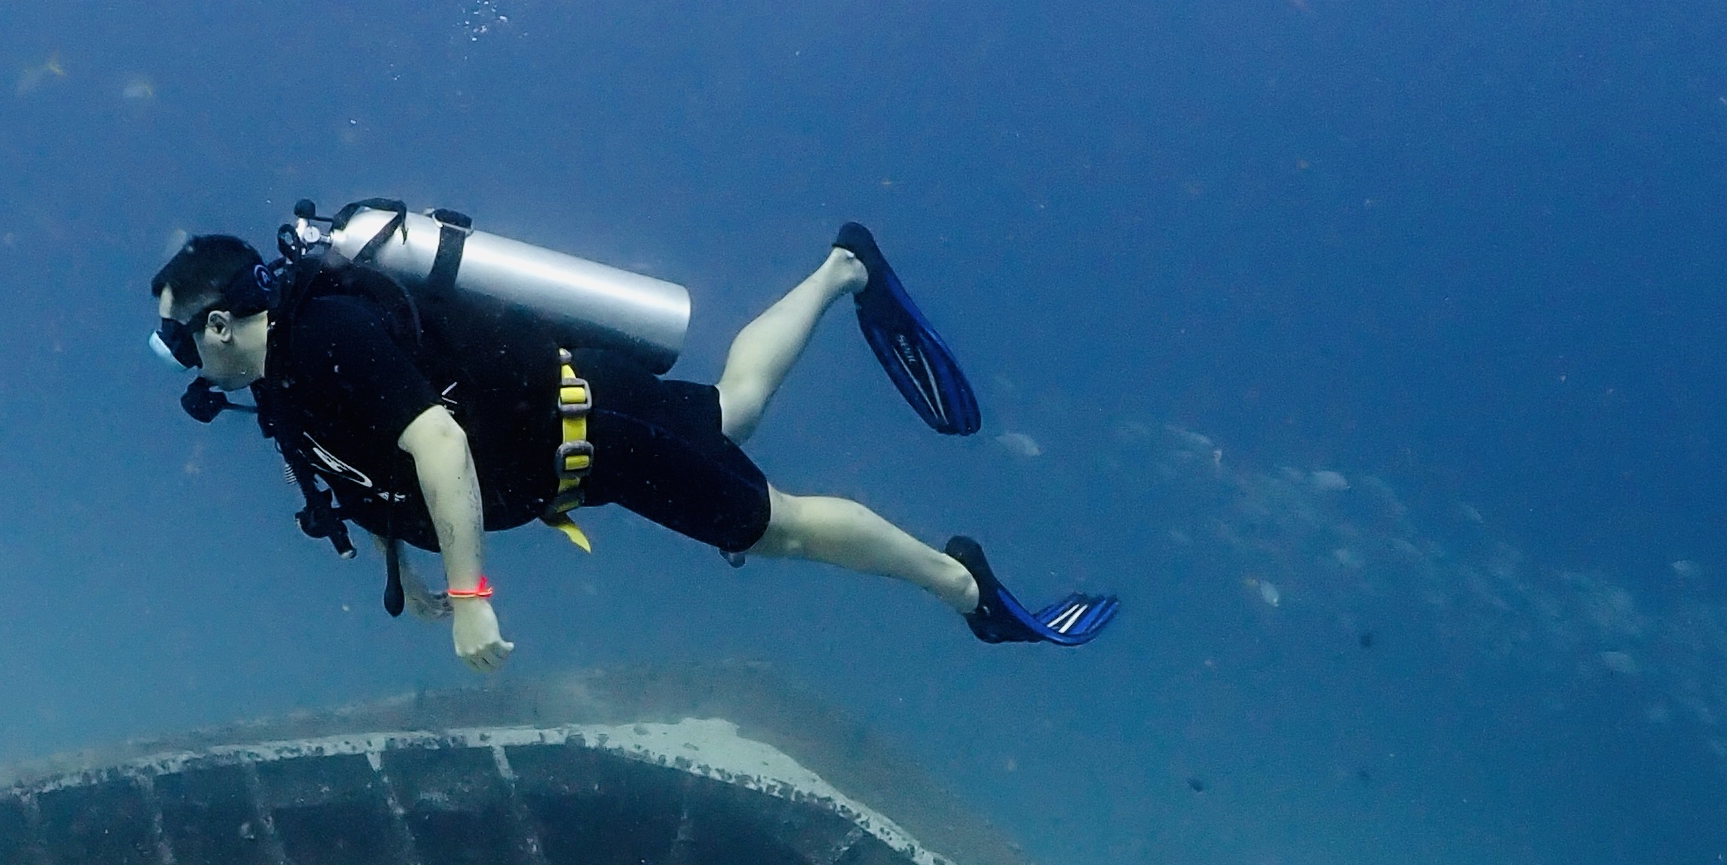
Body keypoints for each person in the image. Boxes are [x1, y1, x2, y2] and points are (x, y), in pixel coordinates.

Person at [148, 217, 1117, 670]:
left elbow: (438, 445)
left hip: (591, 439)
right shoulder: (278, 382)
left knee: (775, 525)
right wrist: (426, 578)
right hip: (573, 423)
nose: (181, 357)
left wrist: (475, 595)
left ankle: (966, 587)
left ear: (225, 321)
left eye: (180, 335)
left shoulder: (322, 342)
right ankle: (840, 268)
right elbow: (374, 465)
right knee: (732, 410)